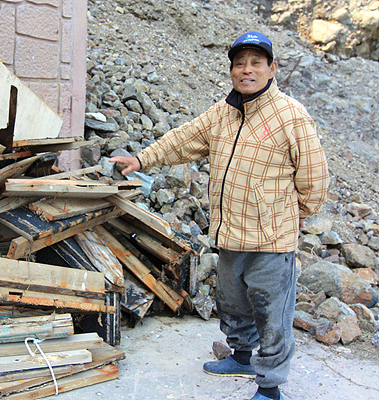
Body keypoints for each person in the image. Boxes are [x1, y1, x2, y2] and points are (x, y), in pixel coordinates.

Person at [110, 31, 329, 400]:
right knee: (233, 304)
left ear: (272, 68)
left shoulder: (292, 116)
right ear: (231, 71)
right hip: (230, 236)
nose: (247, 70)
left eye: (256, 63)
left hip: (272, 241)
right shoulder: (223, 113)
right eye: (240, 63)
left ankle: (270, 386)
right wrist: (142, 159)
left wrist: (295, 215)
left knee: (272, 315)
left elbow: (315, 178)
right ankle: (241, 358)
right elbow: (183, 139)